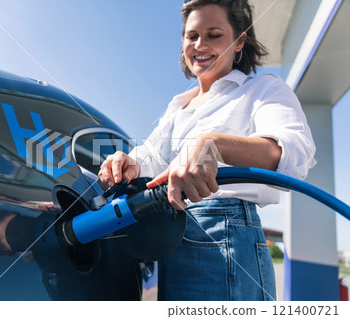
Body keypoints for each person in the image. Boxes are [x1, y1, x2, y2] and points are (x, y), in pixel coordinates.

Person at [97, 0, 316, 301]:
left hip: (225, 236)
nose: (200, 45)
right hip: (172, 235)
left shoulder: (262, 89)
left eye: (214, 35)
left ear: (240, 42)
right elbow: (149, 158)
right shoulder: (177, 107)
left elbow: (295, 154)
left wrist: (214, 145)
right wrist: (129, 162)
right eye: (192, 35)